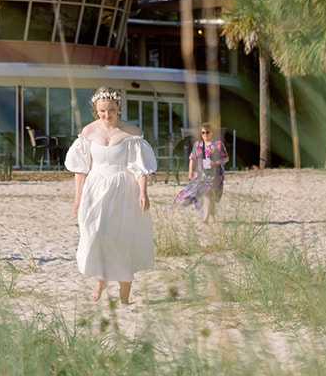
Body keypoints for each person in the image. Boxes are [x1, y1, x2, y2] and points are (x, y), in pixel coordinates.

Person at [66, 86, 157, 303]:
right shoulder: (88, 132)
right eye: (102, 111)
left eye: (111, 110)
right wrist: (78, 198)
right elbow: (81, 169)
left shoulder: (131, 133)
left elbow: (140, 167)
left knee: (121, 238)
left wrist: (143, 192)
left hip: (124, 188)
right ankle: (100, 282)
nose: (107, 115)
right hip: (95, 188)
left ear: (119, 108)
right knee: (96, 234)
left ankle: (124, 291)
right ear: (96, 110)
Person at [173, 122, 228, 224]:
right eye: (203, 133)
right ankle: (211, 215)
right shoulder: (198, 145)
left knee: (208, 193)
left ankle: (205, 218)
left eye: (207, 132)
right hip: (200, 174)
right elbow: (192, 159)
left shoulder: (218, 144)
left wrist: (215, 162)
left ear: (212, 133)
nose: (205, 135)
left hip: (215, 174)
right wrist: (190, 172)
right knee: (203, 194)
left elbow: (226, 158)